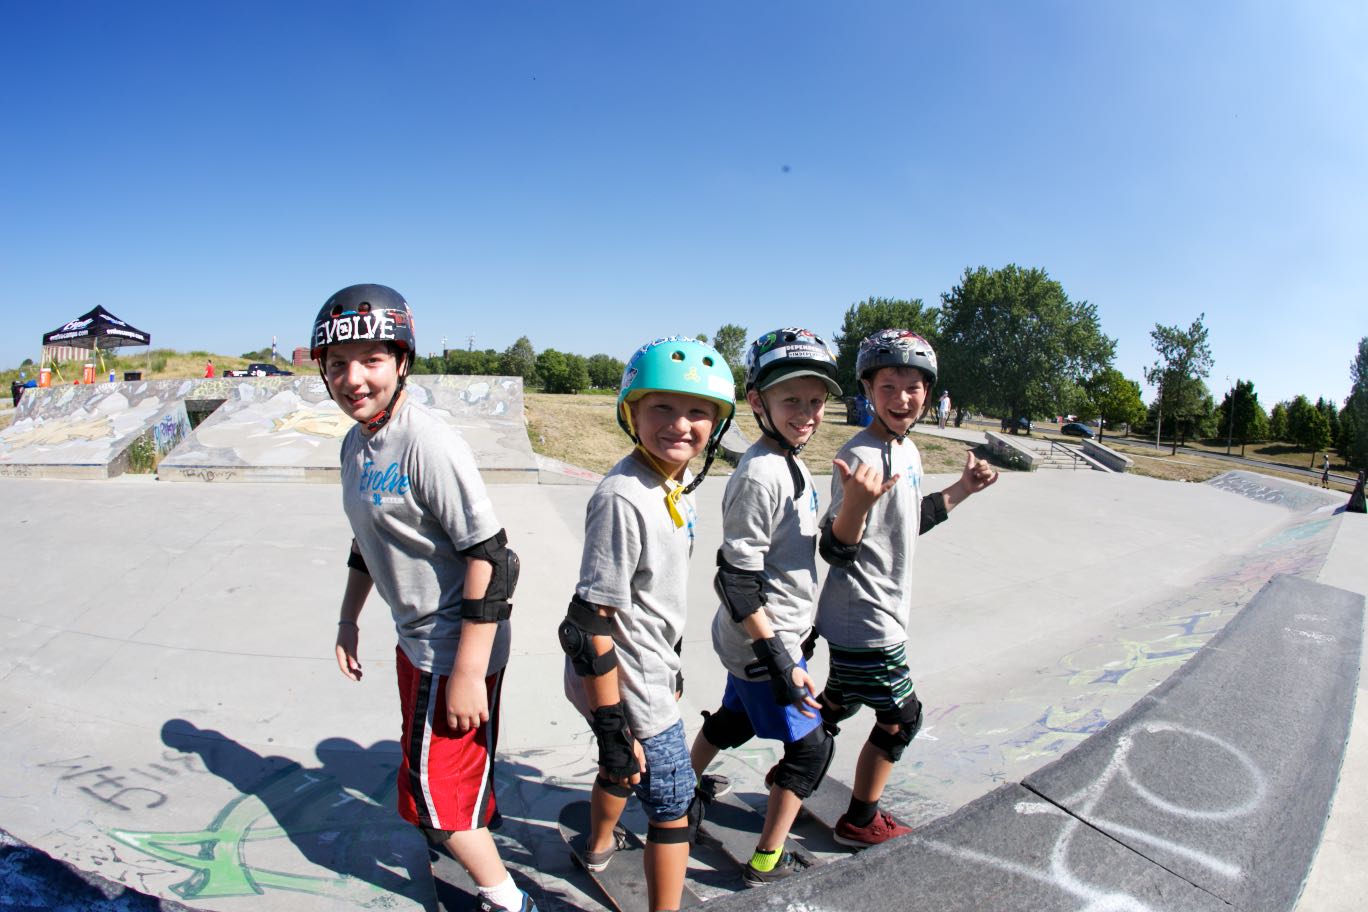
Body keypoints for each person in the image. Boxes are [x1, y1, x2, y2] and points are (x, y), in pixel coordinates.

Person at [315, 284, 535, 912]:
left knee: (431, 791)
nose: (353, 379)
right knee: (445, 764)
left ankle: (507, 900)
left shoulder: (426, 442)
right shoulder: (357, 443)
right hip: (416, 639)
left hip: (455, 645)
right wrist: (348, 619)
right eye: (338, 364)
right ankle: (473, 817)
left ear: (402, 361)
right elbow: (368, 538)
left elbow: (493, 560)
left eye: (371, 360)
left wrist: (466, 673)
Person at [558, 336, 735, 912]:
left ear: (716, 424)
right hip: (624, 683)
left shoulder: (672, 483)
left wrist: (671, 664)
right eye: (662, 407)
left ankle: (597, 847)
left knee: (623, 770)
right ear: (631, 412)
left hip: (646, 671)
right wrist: (614, 726)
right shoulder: (623, 497)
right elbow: (588, 623)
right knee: (673, 805)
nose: (680, 424)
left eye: (698, 411)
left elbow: (655, 593)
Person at [814, 329, 998, 847]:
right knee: (901, 719)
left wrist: (963, 488)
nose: (902, 398)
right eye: (889, 386)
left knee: (837, 705)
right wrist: (853, 508)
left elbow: (906, 521)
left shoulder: (907, 449)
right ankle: (860, 819)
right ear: (867, 390)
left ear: (928, 392)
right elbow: (834, 548)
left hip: (872, 612)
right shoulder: (861, 455)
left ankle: (794, 770)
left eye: (914, 387)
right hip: (865, 616)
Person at [688, 328, 840, 886]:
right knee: (810, 752)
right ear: (758, 402)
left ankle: (682, 788)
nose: (807, 413)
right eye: (791, 399)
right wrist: (779, 658)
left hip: (763, 639)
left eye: (815, 401)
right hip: (762, 644)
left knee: (734, 719)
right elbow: (737, 581)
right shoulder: (760, 474)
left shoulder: (787, 460)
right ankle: (767, 862)